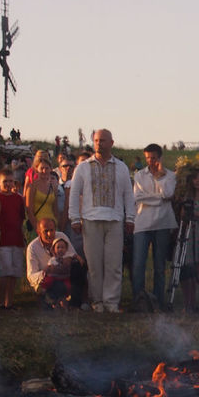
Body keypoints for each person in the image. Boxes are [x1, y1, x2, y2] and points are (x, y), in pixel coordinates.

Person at [68, 129, 135, 314]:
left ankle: (111, 302)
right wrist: (74, 218)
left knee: (113, 264)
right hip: (90, 220)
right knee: (95, 265)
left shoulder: (121, 167)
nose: (99, 143)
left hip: (114, 220)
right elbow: (74, 193)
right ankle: (97, 301)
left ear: (111, 143)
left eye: (103, 140)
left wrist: (130, 218)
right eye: (96, 140)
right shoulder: (83, 167)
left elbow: (128, 195)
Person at [132, 143, 177, 312]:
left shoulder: (170, 176)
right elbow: (138, 197)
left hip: (163, 223)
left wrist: (159, 177)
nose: (150, 161)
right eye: (148, 158)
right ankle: (139, 300)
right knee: (138, 264)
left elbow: (167, 194)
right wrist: (159, 199)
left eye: (154, 158)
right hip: (142, 223)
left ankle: (158, 301)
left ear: (160, 158)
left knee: (159, 266)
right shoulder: (139, 175)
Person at [26, 218, 85, 309]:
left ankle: (76, 303)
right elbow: (31, 275)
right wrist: (47, 272)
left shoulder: (61, 236)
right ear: (39, 232)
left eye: (52, 230)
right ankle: (51, 301)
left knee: (78, 268)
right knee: (55, 285)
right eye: (46, 231)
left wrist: (68, 260)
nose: (50, 234)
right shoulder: (32, 248)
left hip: (64, 273)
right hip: (48, 278)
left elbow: (73, 255)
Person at [176, 167, 199, 314]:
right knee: (188, 267)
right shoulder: (188, 197)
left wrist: (197, 214)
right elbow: (183, 215)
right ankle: (189, 303)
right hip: (189, 233)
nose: (198, 181)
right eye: (195, 178)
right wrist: (185, 211)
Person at [0, 168, 26, 310]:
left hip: (17, 238)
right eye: (5, 181)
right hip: (2, 240)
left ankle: (10, 301)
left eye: (10, 181)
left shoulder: (18, 198)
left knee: (14, 272)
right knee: (4, 272)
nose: (8, 184)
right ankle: (0, 301)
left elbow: (21, 217)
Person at [25, 156, 59, 232]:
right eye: (42, 168)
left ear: (50, 169)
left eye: (47, 168)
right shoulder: (32, 186)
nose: (44, 171)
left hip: (52, 224)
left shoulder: (53, 187)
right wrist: (37, 228)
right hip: (38, 224)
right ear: (37, 169)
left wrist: (56, 223)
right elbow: (29, 210)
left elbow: (55, 208)